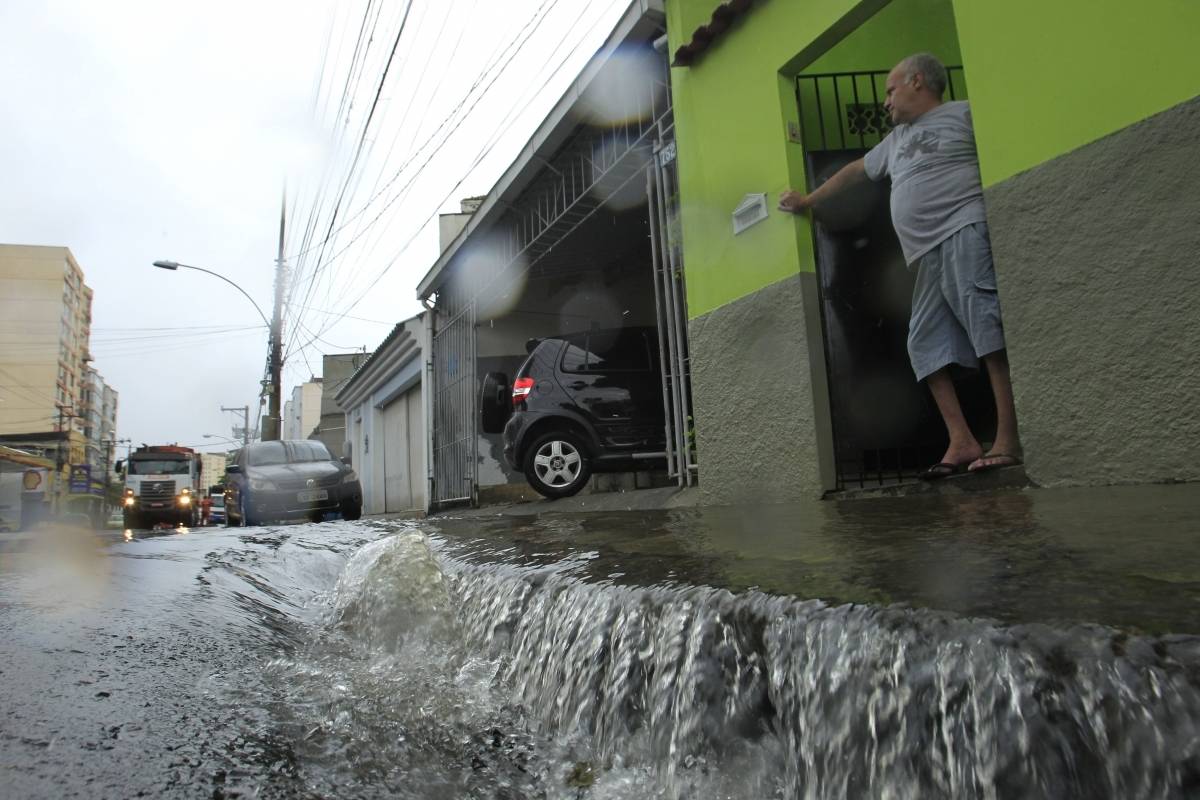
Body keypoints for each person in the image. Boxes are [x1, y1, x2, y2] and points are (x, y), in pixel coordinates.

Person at [778, 52, 1020, 479]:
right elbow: (854, 172)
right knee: (923, 343)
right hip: (927, 256)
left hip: (963, 231)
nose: (885, 101)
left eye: (890, 90)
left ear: (917, 82)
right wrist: (807, 201)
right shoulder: (894, 142)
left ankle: (1007, 439)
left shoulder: (964, 114)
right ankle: (961, 440)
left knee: (987, 331)